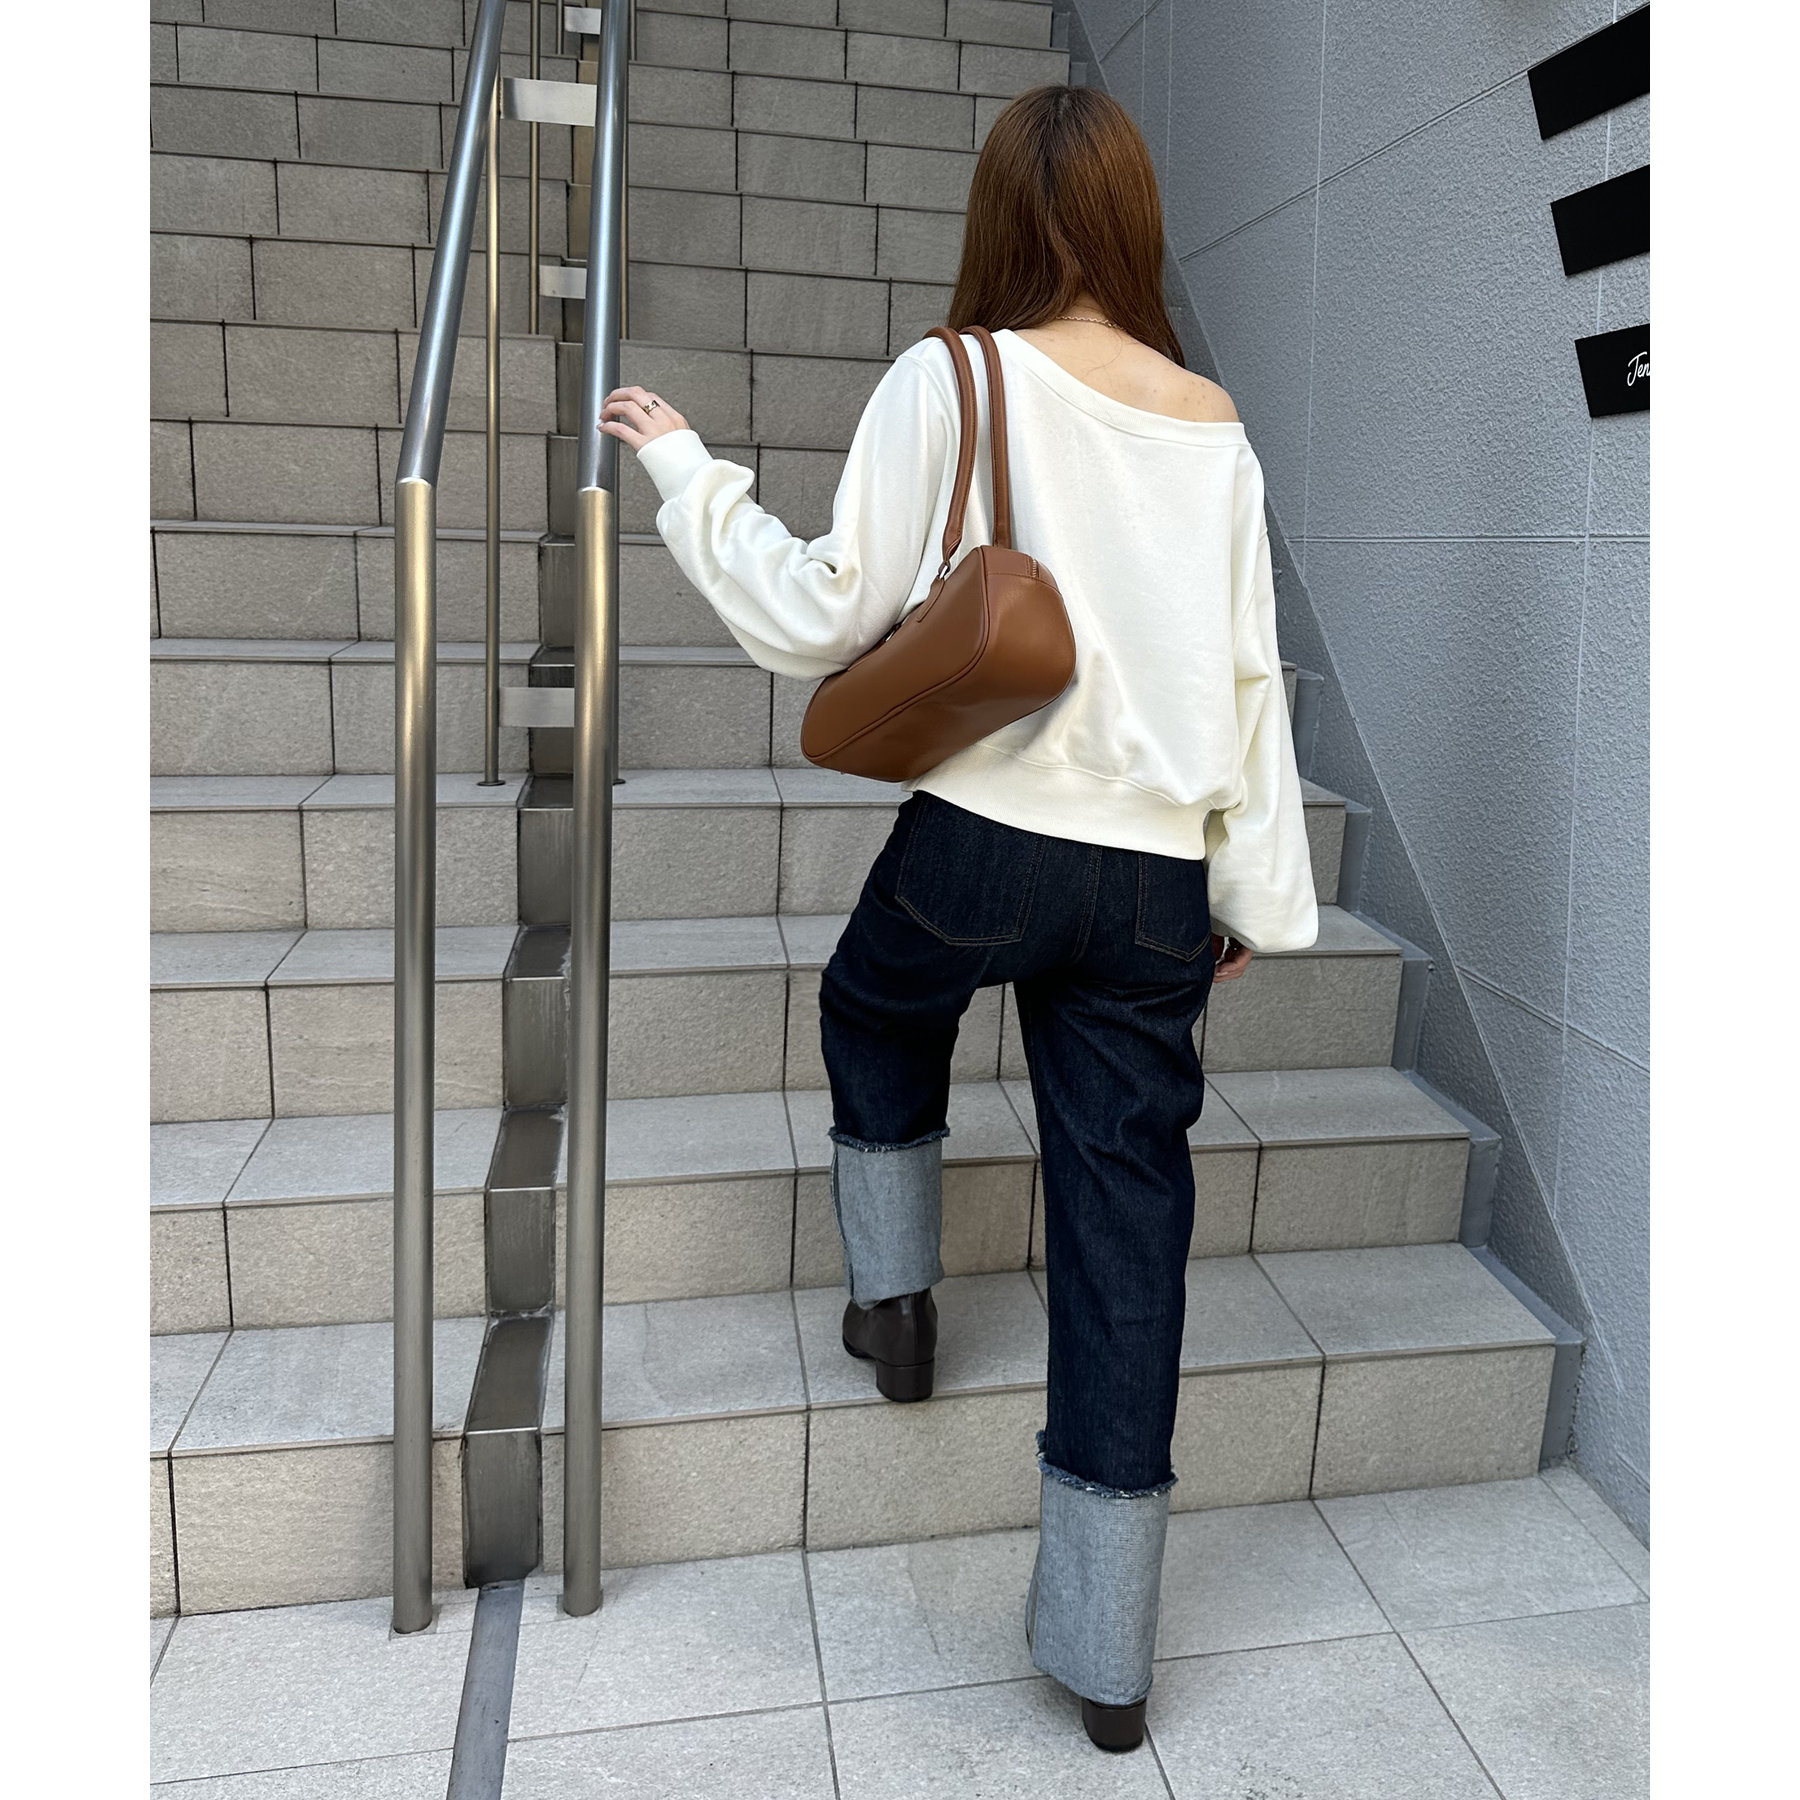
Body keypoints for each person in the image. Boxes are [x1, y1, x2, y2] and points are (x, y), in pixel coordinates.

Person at [599, 83, 1318, 1754]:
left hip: (985, 840)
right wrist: (1245, 883)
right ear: (1136, 221)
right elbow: (1251, 677)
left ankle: (897, 1302)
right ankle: (1110, 1660)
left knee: (875, 1003)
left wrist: (687, 473)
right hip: (1152, 879)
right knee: (1128, 1217)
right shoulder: (1213, 421)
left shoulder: (957, 374)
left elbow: (826, 612)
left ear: (1000, 215)